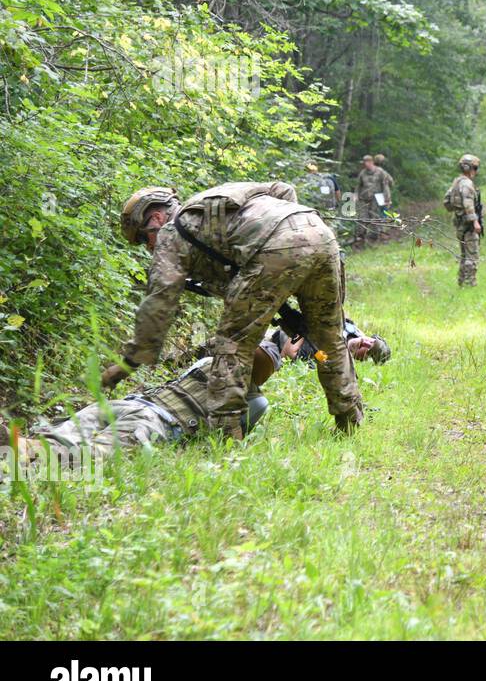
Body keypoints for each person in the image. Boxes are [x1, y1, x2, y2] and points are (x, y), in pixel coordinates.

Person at [103, 182, 365, 438]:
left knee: (233, 344)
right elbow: (283, 189)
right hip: (319, 233)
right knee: (328, 339)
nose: (148, 247)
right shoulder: (214, 207)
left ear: (157, 217)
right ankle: (350, 421)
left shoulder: (173, 232)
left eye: (142, 237)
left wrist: (128, 363)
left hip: (277, 246)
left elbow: (158, 303)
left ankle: (226, 436)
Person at [15, 323, 388, 468]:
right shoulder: (211, 358)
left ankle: (26, 464)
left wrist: (283, 347)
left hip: (159, 422)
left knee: (86, 457)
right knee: (54, 434)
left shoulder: (253, 398)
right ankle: (16, 452)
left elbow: (262, 363)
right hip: (135, 404)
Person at [446, 154, 482, 287]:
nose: (476, 171)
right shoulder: (467, 184)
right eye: (475, 168)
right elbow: (468, 203)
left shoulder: (457, 182)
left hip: (459, 221)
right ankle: (469, 282)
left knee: (463, 253)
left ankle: (461, 281)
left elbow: (446, 201)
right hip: (467, 224)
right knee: (471, 254)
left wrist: (457, 210)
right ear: (471, 168)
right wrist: (474, 221)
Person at [354, 154, 395, 249]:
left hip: (376, 200)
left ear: (372, 162)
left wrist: (387, 199)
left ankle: (380, 237)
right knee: (362, 218)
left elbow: (387, 185)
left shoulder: (380, 172)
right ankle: (361, 239)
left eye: (367, 161)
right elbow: (358, 186)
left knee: (376, 218)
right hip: (364, 200)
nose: (366, 164)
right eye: (364, 162)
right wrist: (355, 195)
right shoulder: (362, 173)